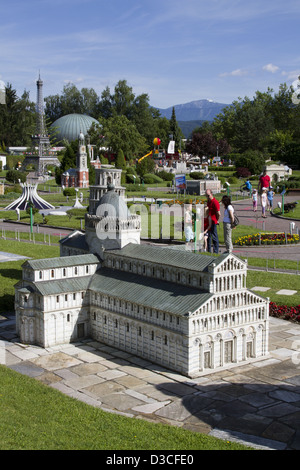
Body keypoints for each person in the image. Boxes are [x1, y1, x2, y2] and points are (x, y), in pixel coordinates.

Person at [205, 189, 220, 254]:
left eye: (208, 195)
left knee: (214, 237)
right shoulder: (209, 201)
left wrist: (217, 220)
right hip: (209, 221)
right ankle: (209, 250)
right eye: (206, 195)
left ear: (211, 194)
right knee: (208, 236)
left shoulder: (215, 202)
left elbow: (218, 213)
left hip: (213, 221)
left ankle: (216, 251)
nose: (207, 197)